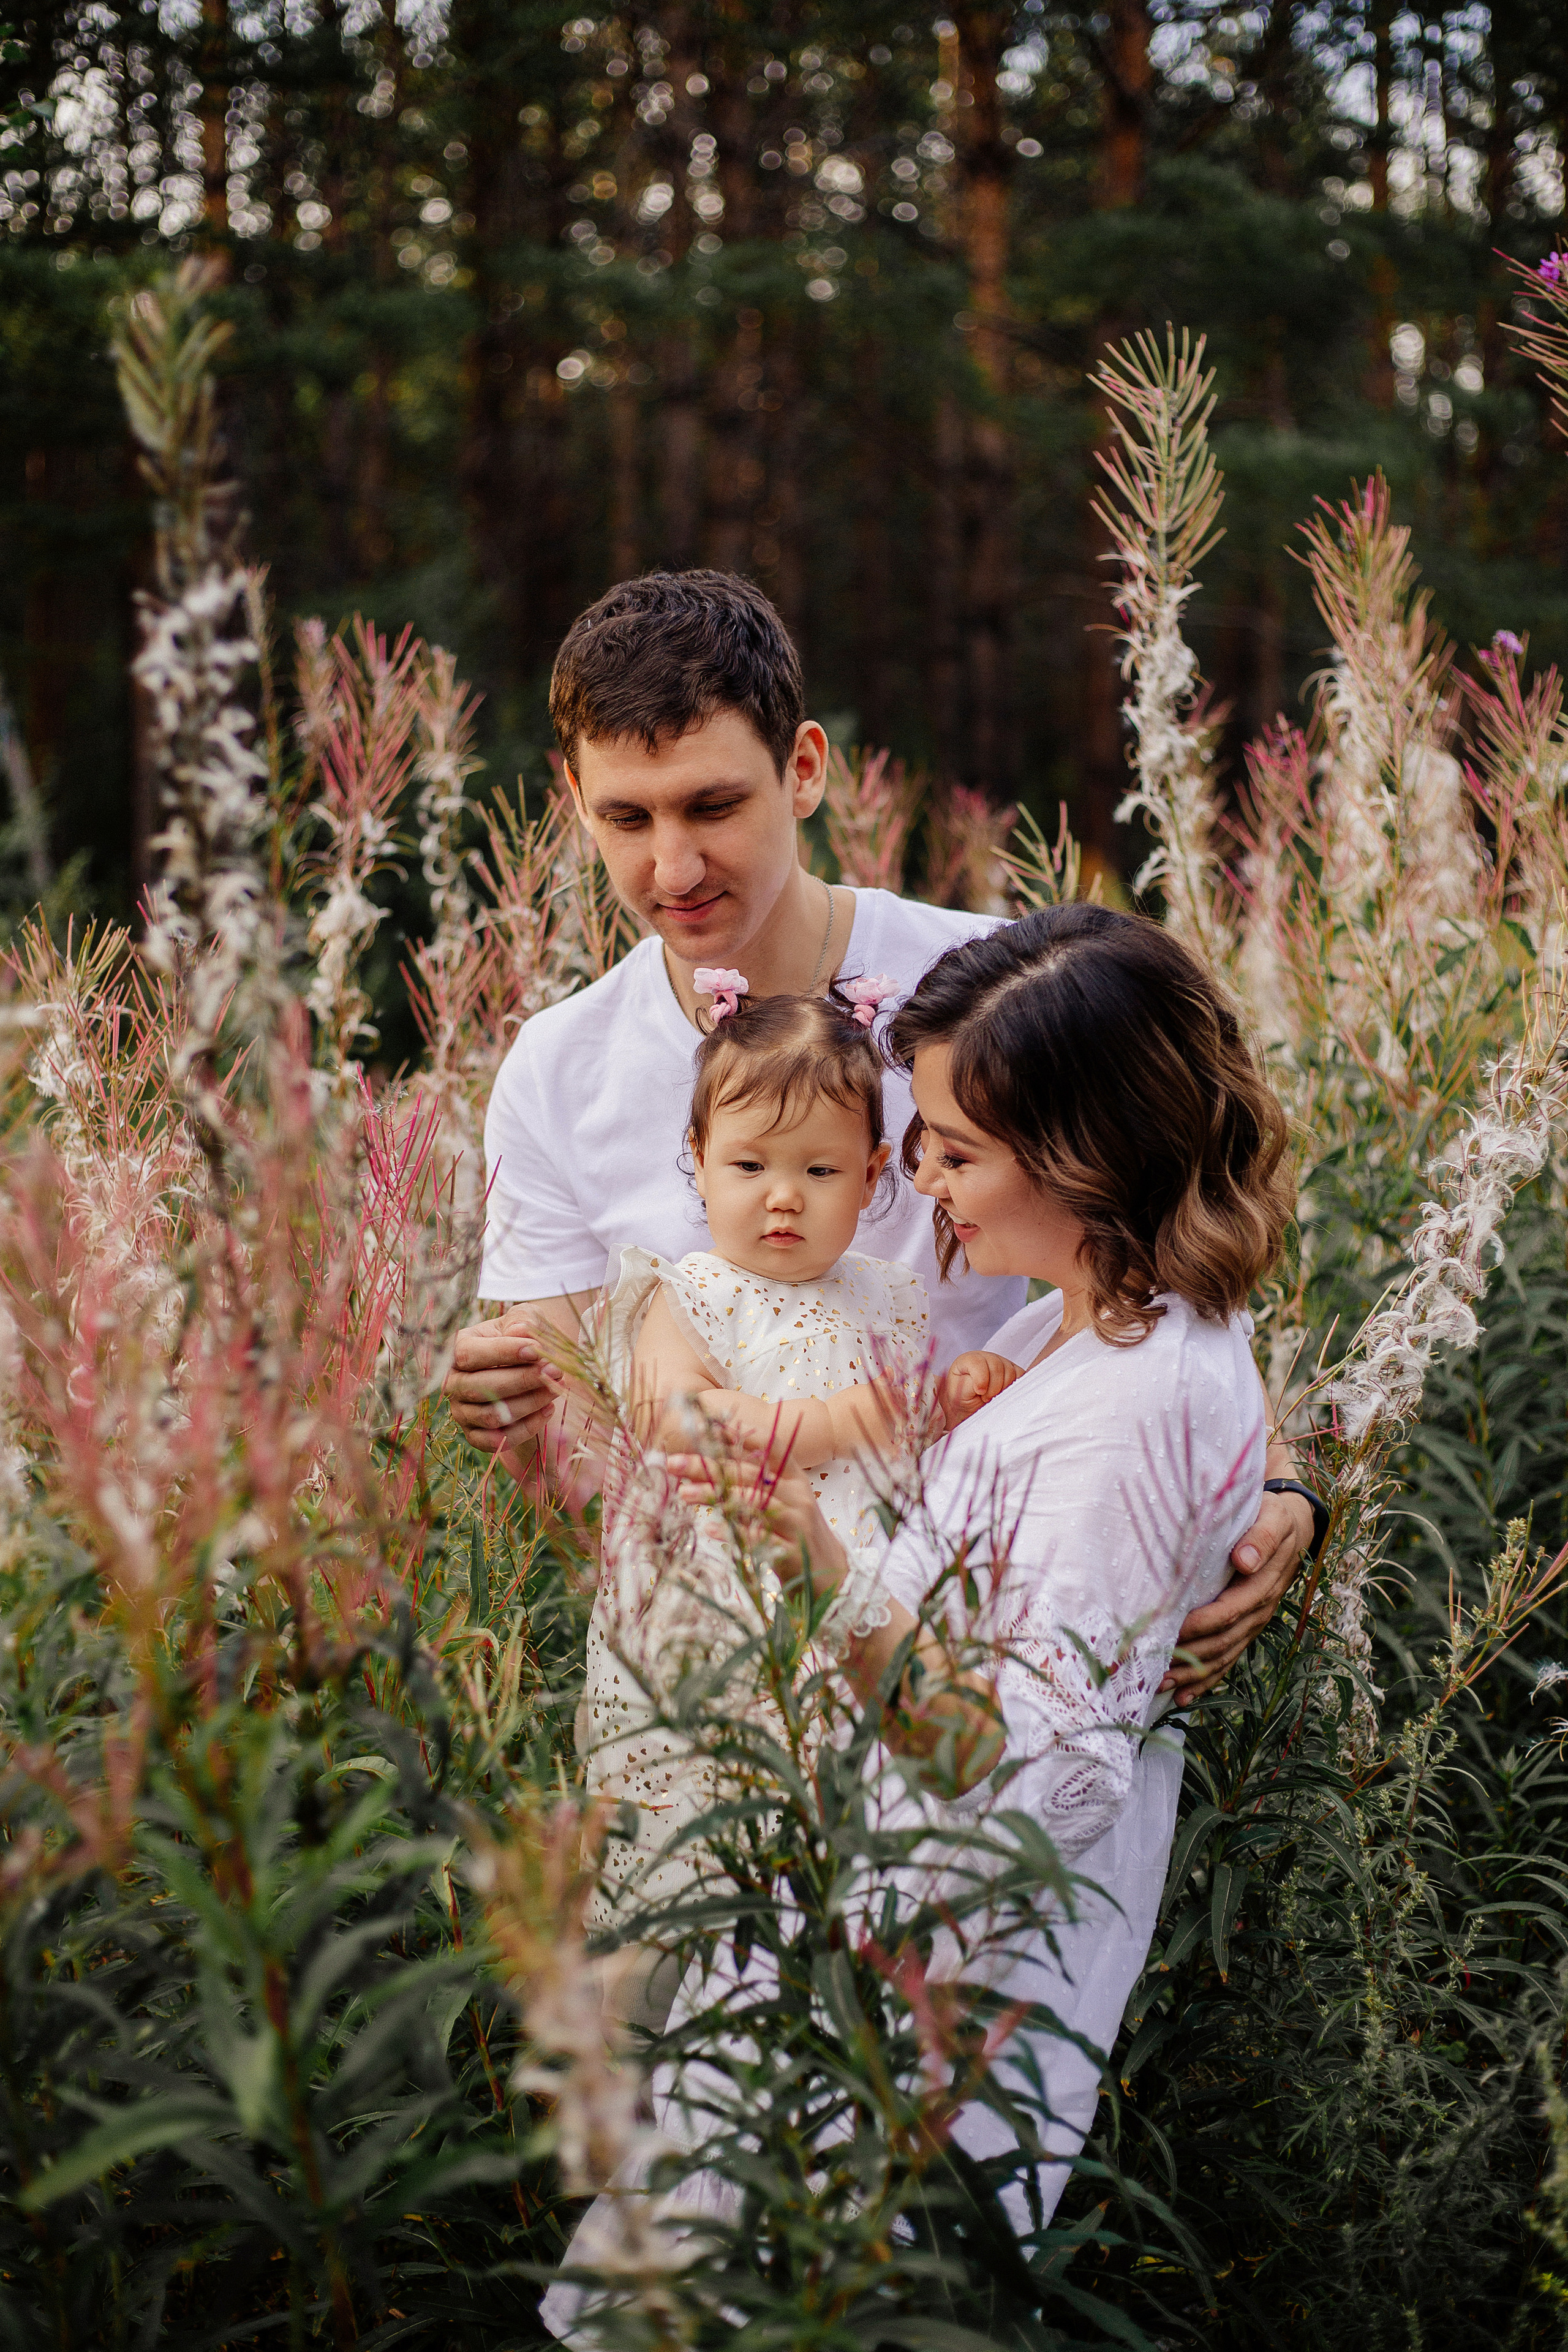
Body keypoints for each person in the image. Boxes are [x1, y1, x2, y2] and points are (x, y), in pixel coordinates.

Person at [442, 568, 1314, 1700]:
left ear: (805, 769)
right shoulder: (555, 1072)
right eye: (627, 818)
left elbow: (1170, 1234)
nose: (673, 868)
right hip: (724, 1676)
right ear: (573, 796)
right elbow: (583, 1467)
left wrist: (1279, 1479)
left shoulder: (987, 992)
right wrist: (518, 1428)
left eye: (713, 807)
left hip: (994, 1633)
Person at [663, 902, 1302, 2230]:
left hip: (929, 2009)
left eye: (955, 1149)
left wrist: (818, 1560)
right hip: (864, 1922)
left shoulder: (1138, 1408)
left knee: (826, 2275)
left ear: (1088, 1155)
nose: (922, 1179)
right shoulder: (1078, 1321)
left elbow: (1018, 1781)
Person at [581, 978, 932, 1939]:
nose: (783, 1196)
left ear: (873, 1176)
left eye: (820, 1171)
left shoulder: (891, 1299)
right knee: (705, 1815)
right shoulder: (688, 1292)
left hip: (854, 1597)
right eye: (749, 1164)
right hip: (722, 1604)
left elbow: (916, 1431)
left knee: (836, 1829)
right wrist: (842, 1420)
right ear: (698, 1159)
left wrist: (961, 1392)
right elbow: (677, 1421)